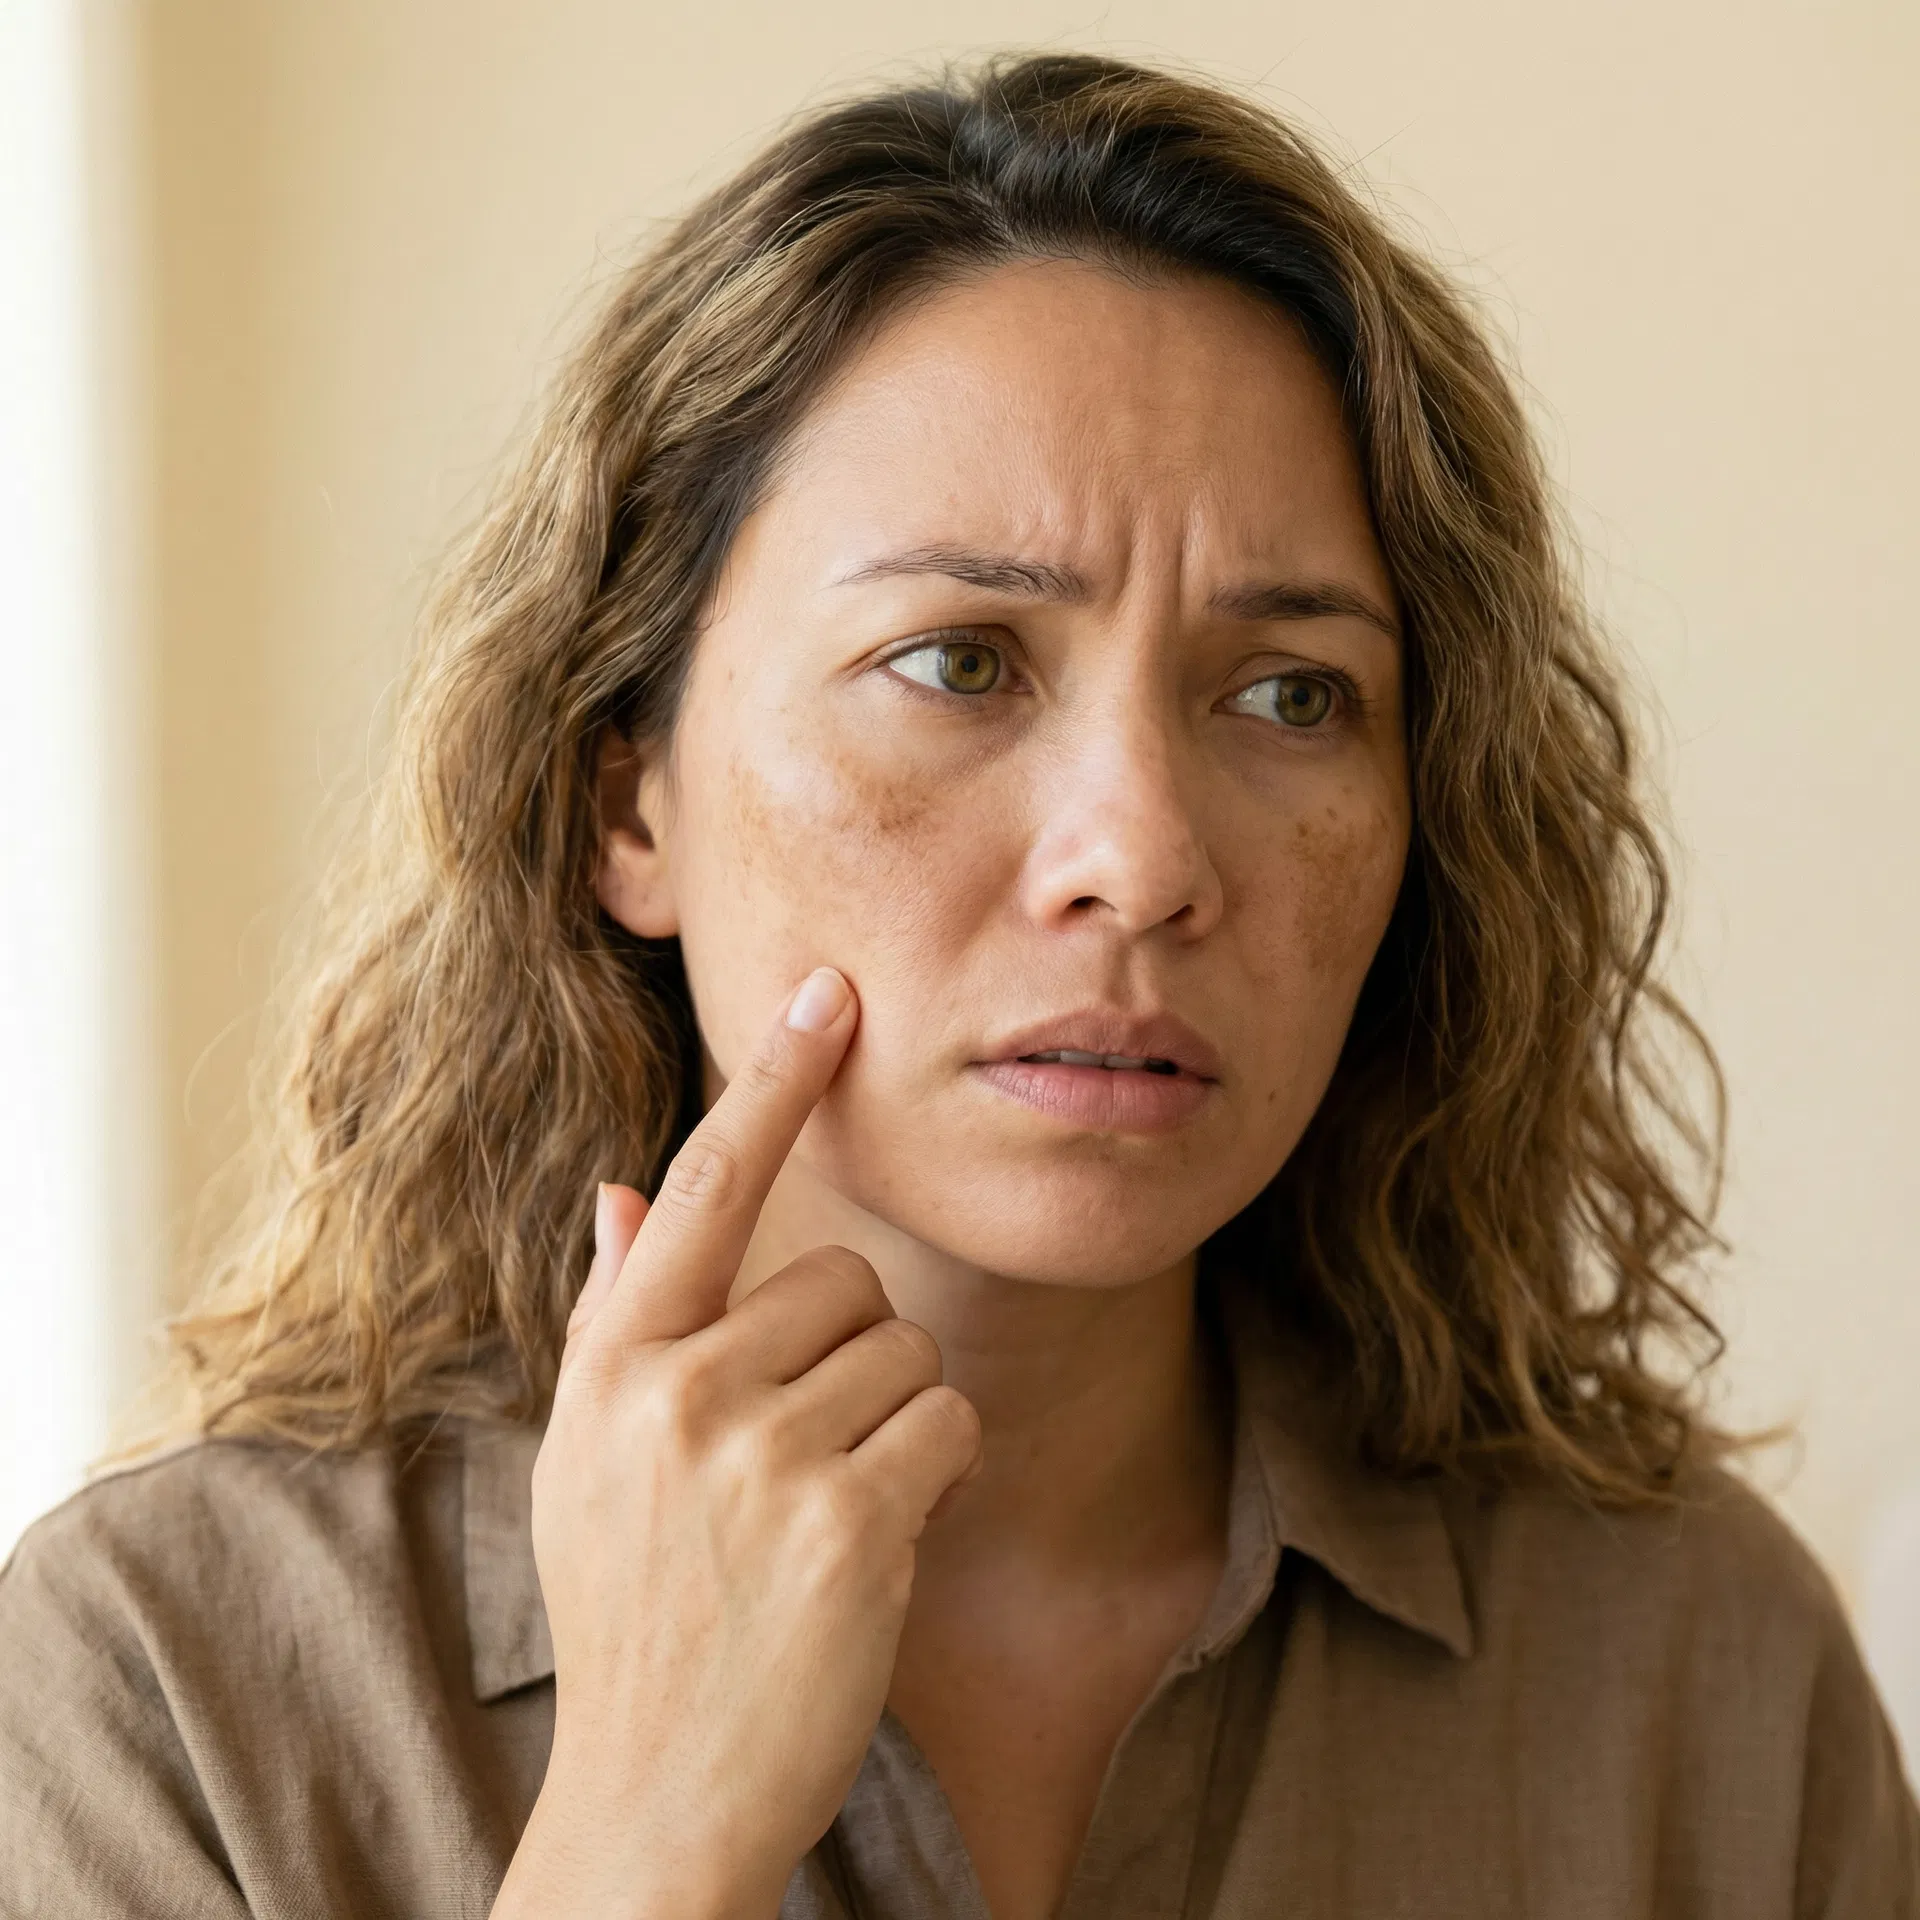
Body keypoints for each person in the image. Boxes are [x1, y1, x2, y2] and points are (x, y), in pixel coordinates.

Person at [0, 51, 1913, 1920]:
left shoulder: (1699, 1680)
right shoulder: (165, 1689)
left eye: (1290, 693)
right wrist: (651, 1839)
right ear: (624, 798)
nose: (1143, 858)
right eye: (961, 663)